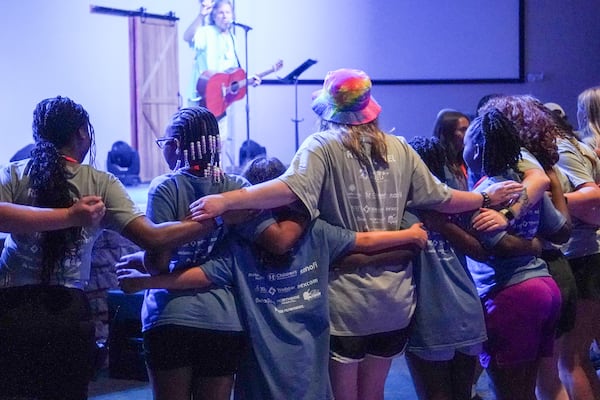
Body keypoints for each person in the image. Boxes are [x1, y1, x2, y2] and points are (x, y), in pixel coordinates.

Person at [188, 68, 523, 400]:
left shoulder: (322, 145)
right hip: (395, 302)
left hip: (345, 303)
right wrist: (485, 197)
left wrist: (226, 199)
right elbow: (443, 198)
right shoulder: (400, 148)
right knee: (374, 393)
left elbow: (287, 189)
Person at [117, 155, 428, 400]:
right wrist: (409, 235)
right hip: (307, 373)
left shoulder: (241, 242)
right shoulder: (313, 231)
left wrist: (146, 282)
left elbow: (200, 276)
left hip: (264, 374)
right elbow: (365, 242)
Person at [0, 96, 222, 400]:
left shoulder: (13, 173)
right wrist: (213, 221)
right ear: (82, 133)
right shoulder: (99, 182)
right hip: (66, 312)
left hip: (10, 310)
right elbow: (153, 238)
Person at [460, 109, 569, 399]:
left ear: (479, 148)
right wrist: (535, 242)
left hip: (510, 294)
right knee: (526, 389)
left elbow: (499, 247)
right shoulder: (525, 187)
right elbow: (560, 230)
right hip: (545, 289)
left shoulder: (485, 192)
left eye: (467, 142)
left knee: (507, 391)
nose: (463, 149)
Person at [183, 0, 251, 171]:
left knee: (220, 141)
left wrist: (247, 81)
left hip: (221, 100)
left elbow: (232, 73)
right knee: (198, 143)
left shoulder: (233, 38)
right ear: (214, 15)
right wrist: (201, 15)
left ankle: (218, 177)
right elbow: (187, 37)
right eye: (221, 12)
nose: (225, 16)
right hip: (202, 97)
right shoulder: (205, 32)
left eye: (228, 12)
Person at [431, 109, 470, 190]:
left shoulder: (463, 160)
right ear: (448, 133)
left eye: (469, 129)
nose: (468, 134)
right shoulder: (437, 162)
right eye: (463, 130)